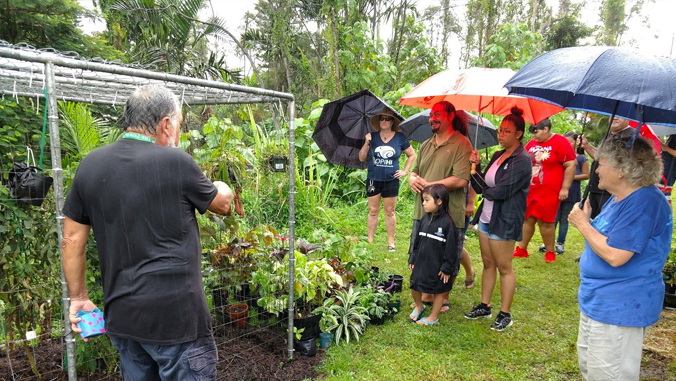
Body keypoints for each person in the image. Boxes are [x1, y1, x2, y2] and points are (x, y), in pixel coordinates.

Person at [62, 85, 234, 380]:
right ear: (166, 124)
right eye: (179, 123)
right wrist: (222, 186)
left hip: (125, 322)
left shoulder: (90, 166)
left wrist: (78, 297)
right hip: (178, 322)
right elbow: (223, 206)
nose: (178, 131)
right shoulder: (176, 162)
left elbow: (71, 239)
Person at [569, 136, 672, 381]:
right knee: (593, 371)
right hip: (600, 301)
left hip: (621, 307)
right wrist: (590, 220)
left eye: (602, 163)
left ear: (623, 170)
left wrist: (584, 226)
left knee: (610, 376)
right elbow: (612, 238)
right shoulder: (620, 198)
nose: (597, 169)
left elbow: (616, 255)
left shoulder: (645, 202)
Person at [464, 107, 532, 331]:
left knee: (504, 266)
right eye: (500, 130)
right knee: (488, 263)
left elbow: (497, 191)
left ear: (518, 134)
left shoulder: (522, 160)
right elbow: (482, 183)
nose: (500, 135)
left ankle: (505, 313)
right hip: (486, 216)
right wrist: (476, 167)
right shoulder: (497, 155)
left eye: (506, 131)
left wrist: (478, 178)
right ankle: (485, 305)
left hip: (504, 219)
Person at [408, 100, 472, 313]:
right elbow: (415, 170)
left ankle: (442, 297)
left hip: (449, 214)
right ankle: (427, 291)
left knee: (447, 254)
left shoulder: (462, 144)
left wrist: (430, 185)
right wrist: (412, 178)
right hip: (423, 211)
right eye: (431, 115)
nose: (432, 118)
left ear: (450, 116)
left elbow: (461, 179)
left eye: (437, 114)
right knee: (425, 251)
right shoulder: (427, 143)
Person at [513, 118, 576, 263]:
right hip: (531, 189)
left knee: (546, 222)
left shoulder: (560, 142)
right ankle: (522, 248)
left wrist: (565, 188)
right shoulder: (533, 143)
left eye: (536, 132)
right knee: (527, 219)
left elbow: (571, 164)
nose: (534, 136)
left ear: (546, 129)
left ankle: (550, 252)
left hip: (549, 190)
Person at [359, 107, 415, 251]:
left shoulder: (400, 138)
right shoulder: (372, 136)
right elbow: (361, 157)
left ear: (392, 122)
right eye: (382, 119)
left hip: (391, 180)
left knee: (390, 211)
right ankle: (369, 241)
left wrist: (405, 171)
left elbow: (412, 155)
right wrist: (366, 143)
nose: (384, 121)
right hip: (373, 179)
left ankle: (391, 242)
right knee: (372, 210)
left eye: (387, 119)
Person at [408, 184, 459, 326]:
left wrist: (447, 267)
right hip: (421, 262)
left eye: (426, 200)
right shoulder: (424, 219)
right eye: (423, 200)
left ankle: (433, 317)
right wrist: (413, 257)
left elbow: (452, 249)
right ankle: (419, 306)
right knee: (414, 285)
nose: (423, 203)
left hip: (438, 266)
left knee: (439, 291)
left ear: (439, 201)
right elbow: (416, 242)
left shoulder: (448, 224)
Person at [539, 132, 589, 254]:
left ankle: (560, 243)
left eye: (570, 142)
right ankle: (548, 242)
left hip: (571, 192)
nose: (566, 144)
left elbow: (586, 175)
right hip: (556, 191)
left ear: (576, 143)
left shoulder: (581, 158)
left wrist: (571, 177)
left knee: (564, 219)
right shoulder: (559, 156)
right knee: (553, 218)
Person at [578, 116, 635, 218]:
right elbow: (602, 156)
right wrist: (587, 146)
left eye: (621, 116)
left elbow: (619, 163)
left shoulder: (631, 136)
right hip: (596, 188)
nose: (615, 118)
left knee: (604, 226)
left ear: (628, 118)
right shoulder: (610, 134)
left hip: (611, 193)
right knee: (592, 222)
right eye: (614, 115)